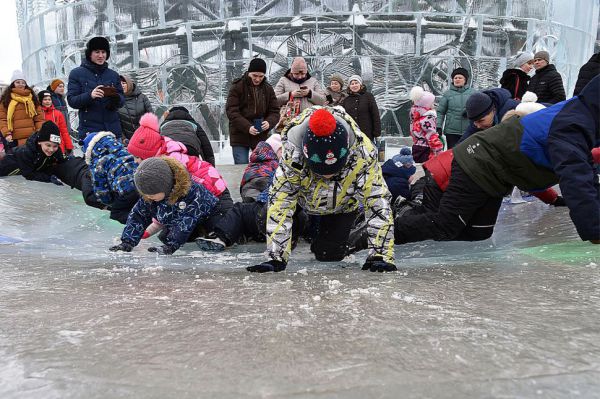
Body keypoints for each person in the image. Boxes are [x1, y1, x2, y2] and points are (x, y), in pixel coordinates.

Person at [394, 75, 600, 246]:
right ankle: (381, 233)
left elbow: (533, 166)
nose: (477, 125)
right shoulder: (569, 125)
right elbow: (575, 175)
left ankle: (408, 217)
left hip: (487, 174)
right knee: (445, 223)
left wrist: (553, 199)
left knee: (478, 231)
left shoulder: (568, 119)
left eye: (480, 120)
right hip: (456, 170)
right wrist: (594, 228)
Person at [246, 107, 396, 273]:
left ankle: (346, 236)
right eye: (320, 170)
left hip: (342, 206)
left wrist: (380, 254)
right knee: (264, 214)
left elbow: (377, 200)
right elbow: (280, 202)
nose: (327, 176)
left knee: (328, 254)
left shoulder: (363, 154)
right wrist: (276, 257)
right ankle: (296, 232)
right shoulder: (292, 155)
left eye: (335, 169)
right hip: (303, 203)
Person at [126, 112, 232, 238]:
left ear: (149, 155)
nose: (135, 161)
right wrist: (148, 230)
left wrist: (150, 229)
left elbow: (169, 203)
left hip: (217, 197)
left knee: (224, 229)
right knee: (167, 235)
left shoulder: (170, 168)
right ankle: (198, 229)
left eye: (138, 157)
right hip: (194, 201)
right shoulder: (160, 164)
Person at [109, 157, 219, 255]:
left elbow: (186, 221)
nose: (148, 197)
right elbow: (138, 215)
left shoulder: (190, 193)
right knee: (164, 237)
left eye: (152, 194)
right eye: (145, 194)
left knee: (177, 237)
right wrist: (127, 242)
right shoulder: (151, 196)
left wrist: (171, 246)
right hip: (177, 222)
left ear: (166, 186)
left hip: (208, 220)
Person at [67, 36, 125, 142]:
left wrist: (115, 98)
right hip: (90, 134)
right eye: (97, 52)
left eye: (103, 52)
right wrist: (90, 95)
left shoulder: (113, 75)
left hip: (113, 132)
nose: (101, 55)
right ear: (90, 53)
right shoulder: (76, 73)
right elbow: (72, 101)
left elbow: (122, 101)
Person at [226, 58, 280, 164]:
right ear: (249, 72)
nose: (257, 79)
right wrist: (247, 127)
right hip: (240, 135)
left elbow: (274, 111)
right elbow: (232, 111)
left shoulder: (268, 89)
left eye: (261, 76)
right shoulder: (237, 86)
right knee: (241, 166)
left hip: (260, 135)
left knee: (262, 166)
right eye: (255, 75)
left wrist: (269, 122)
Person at [83, 131, 138, 224]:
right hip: (141, 183)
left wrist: (109, 202)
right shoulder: (124, 151)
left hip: (126, 190)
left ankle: (141, 223)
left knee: (116, 213)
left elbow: (101, 190)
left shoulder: (98, 163)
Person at [0, 121, 65, 184]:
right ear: (39, 142)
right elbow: (29, 174)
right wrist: (49, 178)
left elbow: (61, 161)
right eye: (48, 145)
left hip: (20, 175)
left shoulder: (56, 151)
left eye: (55, 146)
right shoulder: (27, 152)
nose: (51, 149)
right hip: (7, 168)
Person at [0, 70, 45, 148]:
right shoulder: (6, 99)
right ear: (13, 84)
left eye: (23, 82)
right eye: (18, 82)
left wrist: (39, 132)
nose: (21, 84)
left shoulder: (32, 99)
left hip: (31, 138)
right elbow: (2, 119)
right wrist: (6, 133)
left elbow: (39, 119)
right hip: (13, 139)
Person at [436, 67, 475, 149]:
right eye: (455, 78)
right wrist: (438, 126)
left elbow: (479, 108)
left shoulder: (473, 93)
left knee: (467, 154)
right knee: (452, 155)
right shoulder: (448, 94)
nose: (457, 79)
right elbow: (440, 112)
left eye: (460, 78)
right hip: (451, 132)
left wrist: (470, 112)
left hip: (468, 130)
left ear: (465, 80)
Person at [239, 134, 282, 202]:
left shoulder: (257, 160)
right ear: (275, 149)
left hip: (248, 191)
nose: (284, 154)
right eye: (281, 150)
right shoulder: (273, 163)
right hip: (257, 190)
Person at [341, 75, 381, 143]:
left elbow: (375, 114)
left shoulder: (368, 96)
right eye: (352, 84)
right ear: (349, 86)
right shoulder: (346, 100)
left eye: (356, 83)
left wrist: (377, 133)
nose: (354, 85)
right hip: (352, 135)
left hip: (367, 134)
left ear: (360, 84)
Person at [408, 86, 442, 162]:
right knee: (427, 170)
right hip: (426, 149)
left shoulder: (415, 117)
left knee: (420, 170)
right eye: (432, 102)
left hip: (416, 146)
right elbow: (431, 135)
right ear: (426, 104)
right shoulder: (428, 117)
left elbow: (413, 133)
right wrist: (439, 149)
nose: (433, 104)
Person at [118, 74, 153, 143]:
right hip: (127, 142)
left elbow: (150, 116)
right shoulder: (117, 100)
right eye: (119, 84)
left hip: (145, 138)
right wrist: (123, 139)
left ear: (129, 84)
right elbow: (116, 122)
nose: (122, 85)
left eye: (124, 83)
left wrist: (147, 134)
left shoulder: (142, 97)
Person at [38, 90, 74, 156]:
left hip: (58, 145)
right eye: (45, 99)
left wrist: (69, 146)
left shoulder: (58, 114)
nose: (47, 101)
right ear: (40, 101)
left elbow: (64, 131)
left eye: (49, 99)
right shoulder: (38, 114)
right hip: (44, 147)